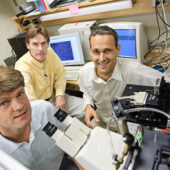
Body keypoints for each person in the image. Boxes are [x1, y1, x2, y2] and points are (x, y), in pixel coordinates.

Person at [79, 26, 163, 129]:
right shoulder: (84, 73)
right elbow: (86, 92)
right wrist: (88, 105)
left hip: (130, 127)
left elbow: (165, 82)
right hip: (103, 122)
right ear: (90, 51)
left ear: (118, 49)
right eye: (96, 51)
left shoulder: (134, 71)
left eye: (107, 51)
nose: (101, 58)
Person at [0, 66, 83, 170]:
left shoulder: (44, 109)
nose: (19, 106)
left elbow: (73, 139)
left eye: (20, 94)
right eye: (4, 102)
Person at [15, 24, 83, 118]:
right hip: (40, 106)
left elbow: (60, 74)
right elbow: (31, 102)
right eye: (35, 44)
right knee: (59, 126)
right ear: (28, 45)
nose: (40, 49)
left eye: (44, 43)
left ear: (48, 44)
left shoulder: (50, 52)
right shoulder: (22, 67)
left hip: (54, 96)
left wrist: (59, 95)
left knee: (85, 109)